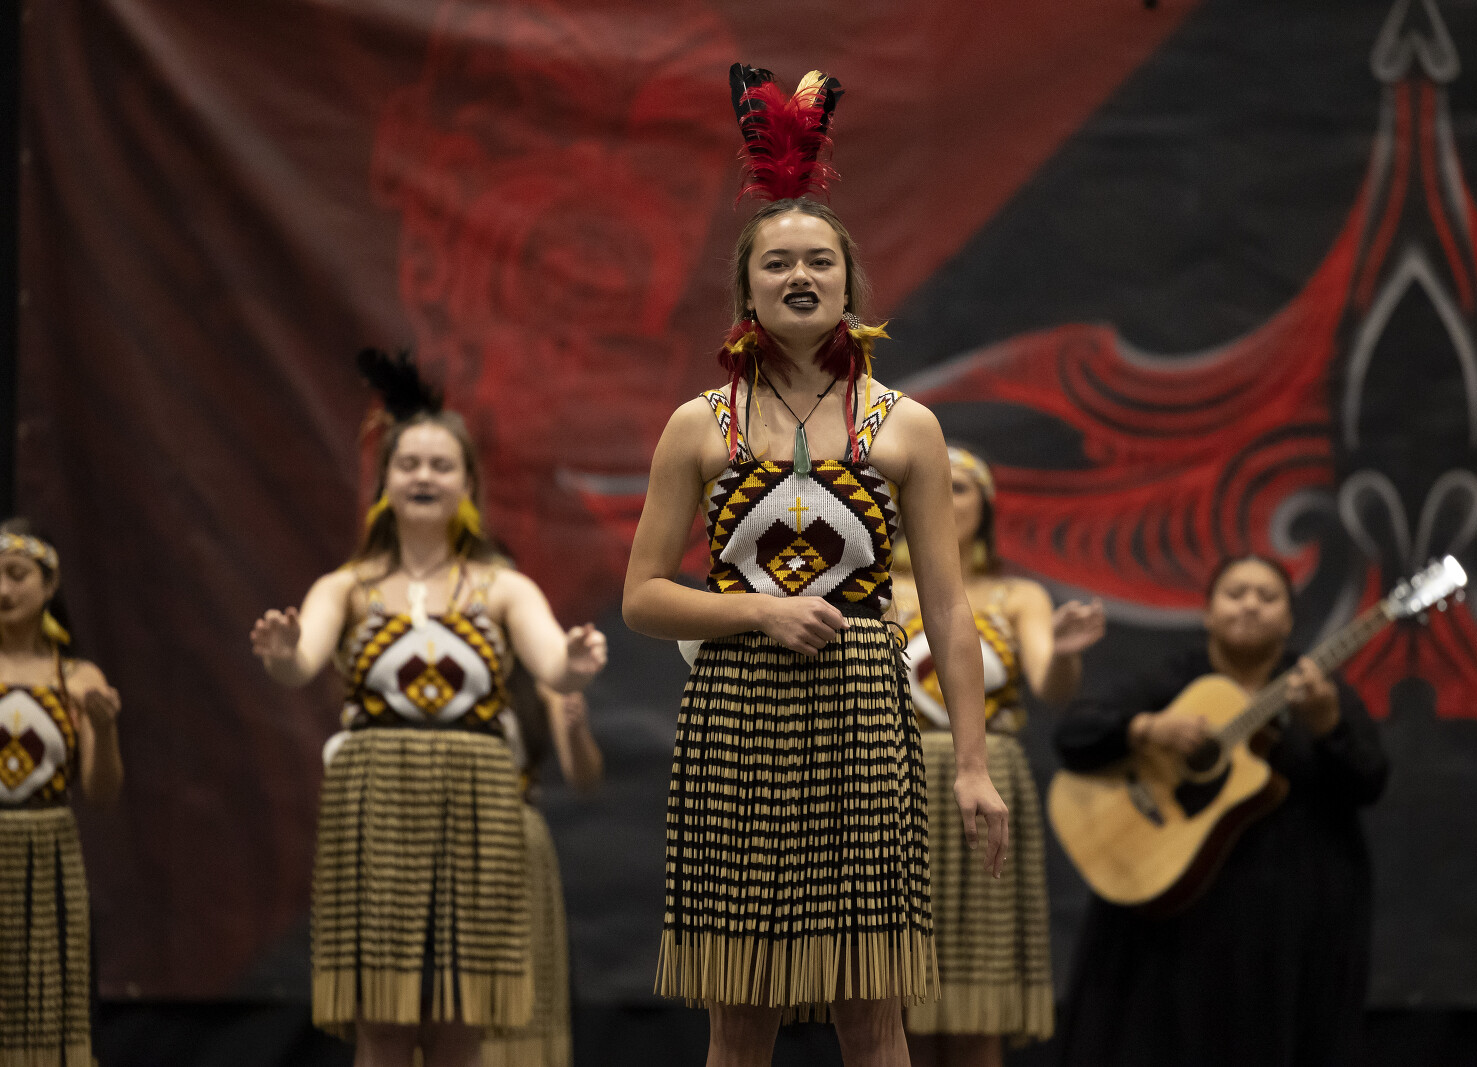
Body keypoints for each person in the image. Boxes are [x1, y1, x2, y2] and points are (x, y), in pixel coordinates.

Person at [622, 65, 1009, 1067]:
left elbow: (949, 609)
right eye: (777, 262)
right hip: (734, 717)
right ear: (745, 288)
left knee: (871, 1008)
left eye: (819, 262)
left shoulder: (906, 427)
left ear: (848, 284)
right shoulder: (699, 426)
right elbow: (643, 597)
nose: (800, 276)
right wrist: (758, 613)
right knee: (739, 1013)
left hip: (865, 712)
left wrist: (970, 763)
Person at [251, 352, 606, 1067]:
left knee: (458, 1022)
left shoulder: (502, 587)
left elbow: (550, 662)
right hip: (376, 798)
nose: (423, 476)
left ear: (467, 484)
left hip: (478, 803)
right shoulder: (347, 587)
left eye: (441, 465)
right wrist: (283, 654)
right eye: (408, 463)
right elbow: (301, 662)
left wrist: (574, 663)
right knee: (383, 1022)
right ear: (384, 480)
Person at [1054, 556, 1387, 1067]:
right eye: (1235, 594)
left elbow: (1369, 782)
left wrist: (1327, 726)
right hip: (1175, 919)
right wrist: (1145, 729)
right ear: (1208, 613)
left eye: (1267, 596)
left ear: (1289, 620)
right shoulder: (1177, 680)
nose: (1250, 604)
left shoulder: (1318, 690)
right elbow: (1073, 735)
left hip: (1287, 918)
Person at [891, 447, 1104, 1065]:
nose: (943, 497)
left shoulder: (1017, 595)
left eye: (959, 487)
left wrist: (1065, 655)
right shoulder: (875, 586)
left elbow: (1050, 686)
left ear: (985, 507)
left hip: (983, 779)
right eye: (931, 484)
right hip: (890, 778)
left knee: (977, 990)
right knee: (890, 993)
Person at [0, 520, 123, 1067]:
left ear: (49, 585)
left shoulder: (78, 677)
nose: (3, 589)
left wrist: (104, 729)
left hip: (48, 856)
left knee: (47, 1009)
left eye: (16, 574)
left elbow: (100, 792)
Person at [481, 681, 604, 1067]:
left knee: (524, 996)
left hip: (515, 848)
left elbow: (584, 776)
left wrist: (575, 729)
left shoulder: (540, 674)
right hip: (441, 837)